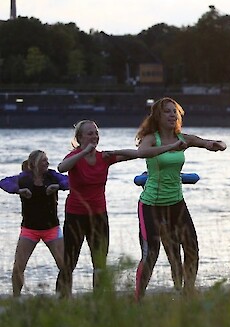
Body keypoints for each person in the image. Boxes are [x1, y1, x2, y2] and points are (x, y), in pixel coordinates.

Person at [56, 119, 184, 297]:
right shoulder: (74, 157)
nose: (94, 136)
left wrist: (116, 152)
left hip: (99, 216)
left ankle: (98, 300)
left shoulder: (103, 158)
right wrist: (83, 152)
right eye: (90, 133)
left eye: (96, 133)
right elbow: (62, 168)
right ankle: (62, 299)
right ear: (79, 137)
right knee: (69, 261)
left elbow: (138, 154)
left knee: (99, 262)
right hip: (75, 216)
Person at [134, 97, 227, 300]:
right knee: (151, 254)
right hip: (151, 204)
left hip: (176, 202)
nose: (172, 115)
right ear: (158, 116)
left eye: (174, 111)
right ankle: (137, 298)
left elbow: (207, 143)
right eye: (167, 111)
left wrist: (217, 144)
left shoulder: (183, 138)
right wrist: (170, 147)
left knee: (192, 246)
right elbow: (141, 152)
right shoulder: (152, 138)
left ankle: (188, 291)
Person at [0, 150, 70, 297]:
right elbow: (4, 182)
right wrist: (18, 190)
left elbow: (69, 181)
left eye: (47, 160)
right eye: (44, 160)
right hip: (29, 229)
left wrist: (58, 187)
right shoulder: (24, 178)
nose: (47, 163)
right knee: (18, 267)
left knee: (64, 266)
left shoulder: (52, 176)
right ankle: (16, 298)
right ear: (34, 164)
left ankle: (66, 296)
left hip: (52, 228)